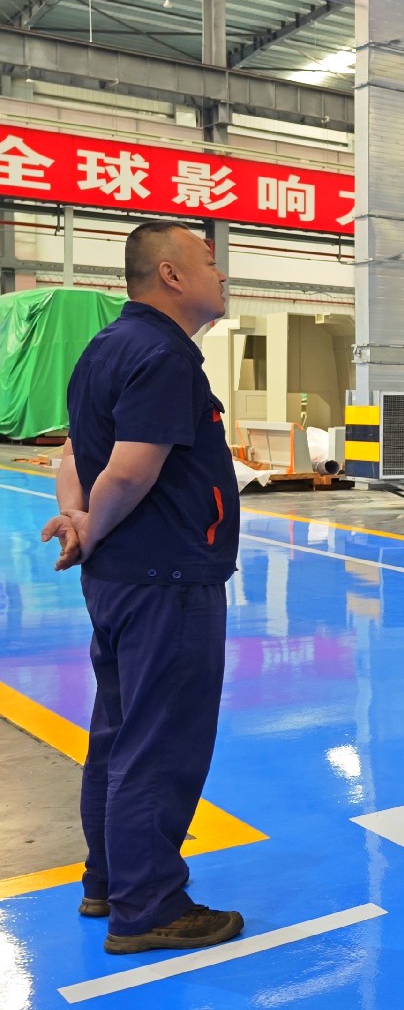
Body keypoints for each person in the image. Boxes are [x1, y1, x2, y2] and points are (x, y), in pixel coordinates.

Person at [40, 221, 244, 953]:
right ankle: (150, 905)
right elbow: (128, 471)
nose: (222, 275)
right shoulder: (162, 355)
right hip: (168, 579)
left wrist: (76, 516)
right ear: (171, 275)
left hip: (123, 582)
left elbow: (72, 454)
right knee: (161, 744)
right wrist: (93, 525)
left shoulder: (105, 348)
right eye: (210, 263)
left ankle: (108, 879)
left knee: (120, 733)